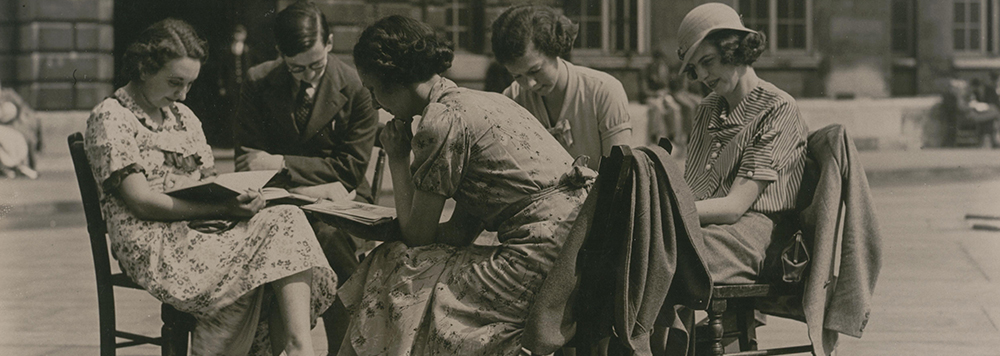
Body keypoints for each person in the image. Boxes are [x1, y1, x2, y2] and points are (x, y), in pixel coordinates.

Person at [337, 15, 594, 355]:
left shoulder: (439, 123)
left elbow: (417, 237)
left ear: (396, 79)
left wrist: (397, 158)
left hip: (542, 261)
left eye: (373, 90)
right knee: (401, 262)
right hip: (576, 246)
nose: (373, 104)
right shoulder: (484, 101)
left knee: (396, 266)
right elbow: (459, 233)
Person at [83, 18, 336, 356]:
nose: (182, 94)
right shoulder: (112, 117)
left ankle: (296, 346)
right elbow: (141, 202)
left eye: (189, 85)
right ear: (143, 68)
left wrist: (237, 197)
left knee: (285, 218)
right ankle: (293, 348)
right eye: (175, 82)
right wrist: (222, 208)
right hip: (152, 243)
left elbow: (209, 183)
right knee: (276, 244)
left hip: (199, 228)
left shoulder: (183, 117)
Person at [651, 3, 809, 351]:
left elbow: (735, 207)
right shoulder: (707, 108)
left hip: (757, 237)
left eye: (708, 61)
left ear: (734, 49)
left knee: (654, 258)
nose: (704, 75)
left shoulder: (778, 108)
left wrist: (665, 211)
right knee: (638, 249)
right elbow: (693, 191)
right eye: (695, 68)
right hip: (709, 230)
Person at [234, 1, 380, 351]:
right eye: (296, 68)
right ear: (280, 54)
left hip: (342, 206)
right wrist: (313, 180)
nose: (309, 75)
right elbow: (248, 161)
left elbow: (349, 170)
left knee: (330, 237)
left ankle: (341, 349)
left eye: (316, 64)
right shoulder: (258, 81)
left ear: (329, 42)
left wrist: (281, 162)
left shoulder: (357, 87)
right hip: (279, 203)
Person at [491, 4, 632, 170]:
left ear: (554, 49)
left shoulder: (604, 92)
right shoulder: (513, 98)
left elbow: (619, 177)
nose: (529, 84)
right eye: (517, 76)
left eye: (535, 70)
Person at [641, 50, 685, 145]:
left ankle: (673, 135)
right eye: (657, 62)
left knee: (674, 108)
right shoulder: (646, 71)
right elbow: (644, 90)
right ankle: (654, 136)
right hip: (651, 96)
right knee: (657, 108)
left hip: (663, 95)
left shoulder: (663, 71)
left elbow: (667, 87)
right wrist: (655, 93)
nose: (659, 64)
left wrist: (664, 92)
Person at [0, 79, 41, 179]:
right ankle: (13, 167)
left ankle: (18, 166)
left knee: (18, 138)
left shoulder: (9, 95)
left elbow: (24, 111)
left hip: (13, 128)